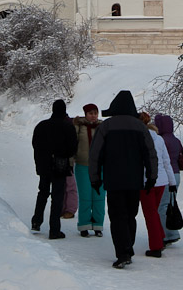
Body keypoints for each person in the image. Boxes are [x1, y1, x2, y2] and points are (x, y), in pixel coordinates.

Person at [88, 90, 157, 269]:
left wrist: (94, 179)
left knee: (117, 216)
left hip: (114, 180)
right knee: (130, 215)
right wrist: (151, 177)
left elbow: (95, 155)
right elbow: (150, 154)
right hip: (134, 181)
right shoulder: (141, 127)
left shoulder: (106, 127)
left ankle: (123, 252)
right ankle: (128, 246)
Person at [31, 99, 77, 239]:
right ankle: (54, 230)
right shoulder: (67, 127)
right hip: (60, 165)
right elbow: (72, 148)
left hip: (44, 165)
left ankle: (36, 222)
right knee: (57, 197)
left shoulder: (41, 125)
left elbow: (35, 144)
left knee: (43, 192)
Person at [138, 112, 174, 258]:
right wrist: (172, 182)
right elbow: (166, 161)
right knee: (155, 211)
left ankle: (156, 245)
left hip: (146, 180)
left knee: (150, 213)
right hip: (162, 180)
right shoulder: (159, 139)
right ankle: (160, 238)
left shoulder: (139, 138)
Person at [73, 103, 105, 237]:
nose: (93, 116)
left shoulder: (102, 127)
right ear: (85, 114)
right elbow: (72, 144)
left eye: (95, 113)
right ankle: (84, 225)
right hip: (82, 165)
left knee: (99, 197)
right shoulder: (79, 127)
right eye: (91, 113)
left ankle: (98, 225)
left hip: (100, 166)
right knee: (85, 197)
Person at [154, 113, 183, 245]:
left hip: (167, 175)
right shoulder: (175, 140)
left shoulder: (161, 140)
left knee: (162, 206)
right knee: (171, 203)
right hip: (177, 174)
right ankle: (172, 231)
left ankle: (168, 234)